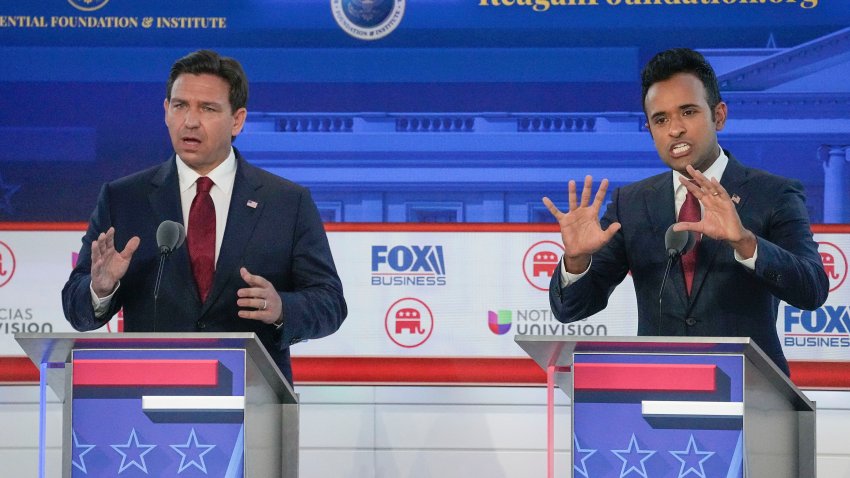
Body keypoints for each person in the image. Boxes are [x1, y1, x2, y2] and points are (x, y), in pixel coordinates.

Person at [62, 50, 347, 386]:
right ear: (166, 111)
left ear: (237, 120)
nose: (190, 121)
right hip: (149, 402)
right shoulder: (124, 198)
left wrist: (282, 307)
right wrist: (101, 287)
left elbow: (330, 302)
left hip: (252, 398)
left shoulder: (286, 202)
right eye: (180, 106)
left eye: (208, 109)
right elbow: (76, 308)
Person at [543, 48, 827, 376]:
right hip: (658, 395)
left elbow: (813, 290)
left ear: (718, 115)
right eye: (660, 119)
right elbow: (571, 309)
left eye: (688, 112)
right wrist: (576, 261)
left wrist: (746, 242)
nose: (675, 129)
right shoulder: (631, 203)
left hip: (753, 392)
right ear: (650, 130)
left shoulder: (774, 193)